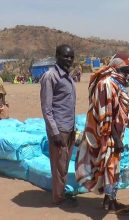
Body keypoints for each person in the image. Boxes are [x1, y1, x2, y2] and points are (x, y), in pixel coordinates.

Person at [76, 52, 129, 214]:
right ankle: (110, 203)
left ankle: (109, 200)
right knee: (109, 166)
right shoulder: (107, 84)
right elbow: (106, 114)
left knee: (112, 166)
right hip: (107, 134)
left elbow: (118, 108)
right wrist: (115, 138)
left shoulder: (117, 82)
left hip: (115, 132)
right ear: (120, 67)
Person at [40, 44, 77, 206]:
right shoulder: (50, 76)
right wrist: (54, 132)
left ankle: (61, 192)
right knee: (58, 165)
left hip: (69, 126)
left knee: (65, 164)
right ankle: (58, 198)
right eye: (65, 56)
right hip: (59, 129)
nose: (68, 59)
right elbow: (47, 109)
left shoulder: (68, 76)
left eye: (71, 57)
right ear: (57, 56)